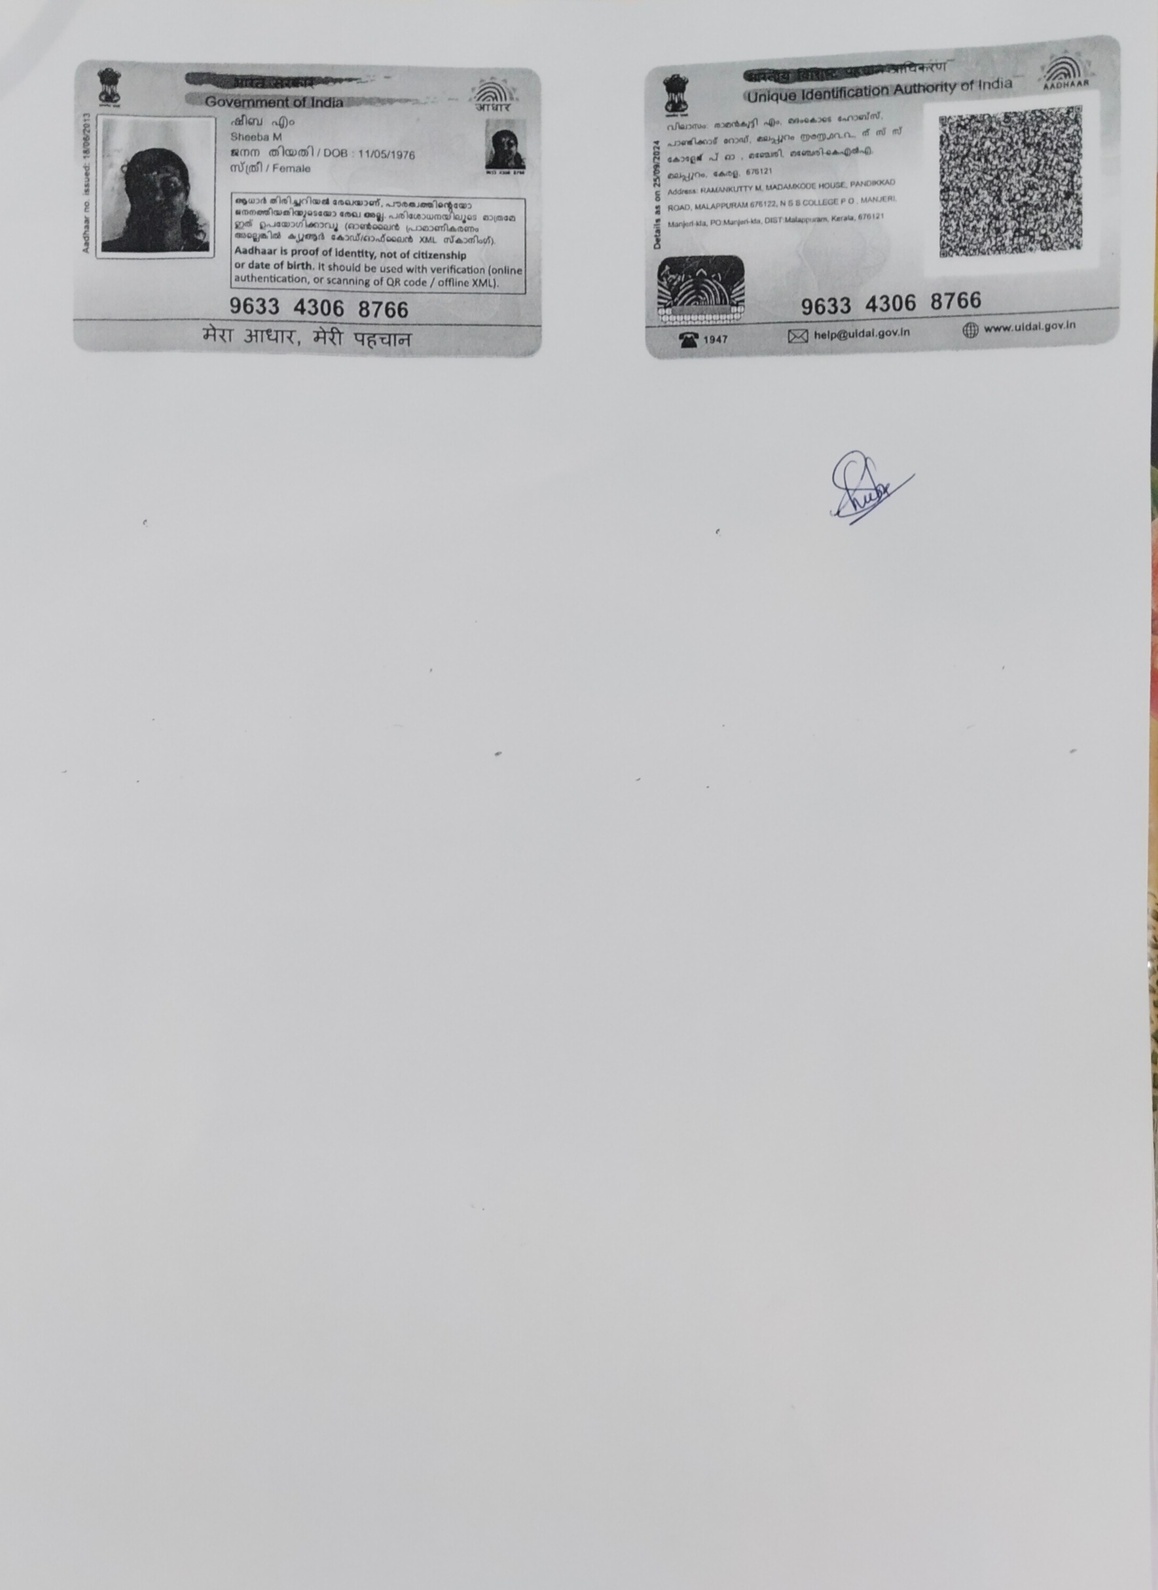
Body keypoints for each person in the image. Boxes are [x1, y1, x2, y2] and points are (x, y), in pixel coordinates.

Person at [103, 148, 209, 253]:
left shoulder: (204, 252)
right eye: (146, 189)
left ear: (186, 192)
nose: (157, 197)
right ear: (131, 196)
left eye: (170, 186)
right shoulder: (109, 253)